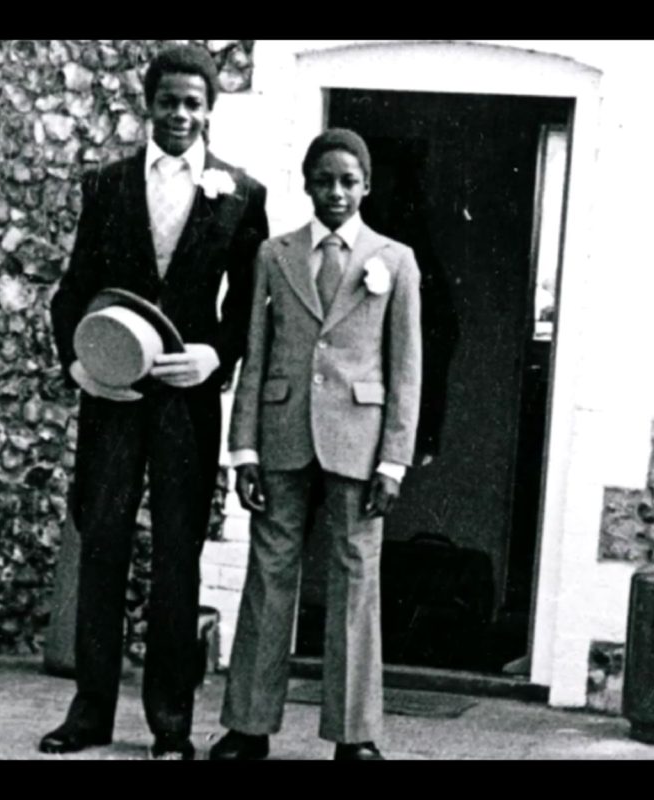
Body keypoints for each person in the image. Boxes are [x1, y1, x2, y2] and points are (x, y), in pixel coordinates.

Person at [43, 43, 269, 760]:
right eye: (168, 101)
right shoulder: (107, 185)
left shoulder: (241, 193)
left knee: (178, 555)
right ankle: (89, 714)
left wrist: (216, 355)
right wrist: (77, 363)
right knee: (102, 543)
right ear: (149, 104)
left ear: (209, 111)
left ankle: (171, 724)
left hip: (186, 401)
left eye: (192, 103)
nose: (179, 114)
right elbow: (73, 290)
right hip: (113, 393)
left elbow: (249, 307)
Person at [210, 128, 422, 761]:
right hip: (282, 435)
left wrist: (394, 461)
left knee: (356, 579)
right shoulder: (275, 254)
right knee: (269, 574)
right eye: (324, 180)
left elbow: (406, 369)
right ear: (306, 183)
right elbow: (255, 353)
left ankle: (354, 736)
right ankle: (248, 726)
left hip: (359, 443)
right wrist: (244, 450)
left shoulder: (395, 260)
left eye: (348, 181)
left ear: (367, 186)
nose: (336, 192)